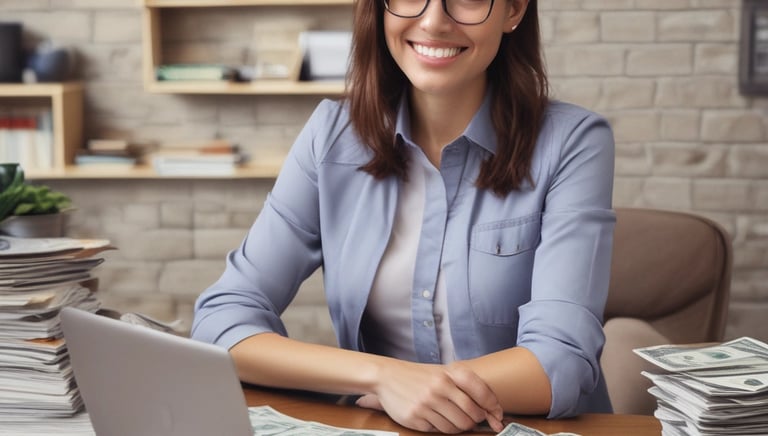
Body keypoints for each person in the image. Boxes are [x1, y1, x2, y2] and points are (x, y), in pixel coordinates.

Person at [192, 0, 616, 433]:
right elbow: (222, 320)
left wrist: (424, 390)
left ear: (513, 11)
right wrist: (385, 376)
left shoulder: (573, 143)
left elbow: (561, 359)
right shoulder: (331, 137)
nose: (433, 21)